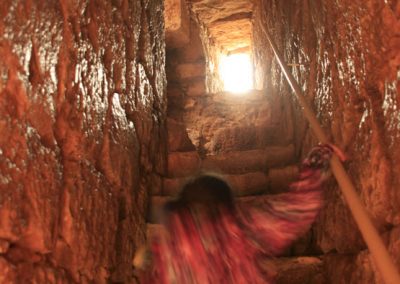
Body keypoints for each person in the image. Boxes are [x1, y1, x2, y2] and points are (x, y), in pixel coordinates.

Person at [136, 144, 340, 283]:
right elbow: (296, 210)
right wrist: (318, 158)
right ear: (226, 206)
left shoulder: (164, 252)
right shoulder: (241, 229)